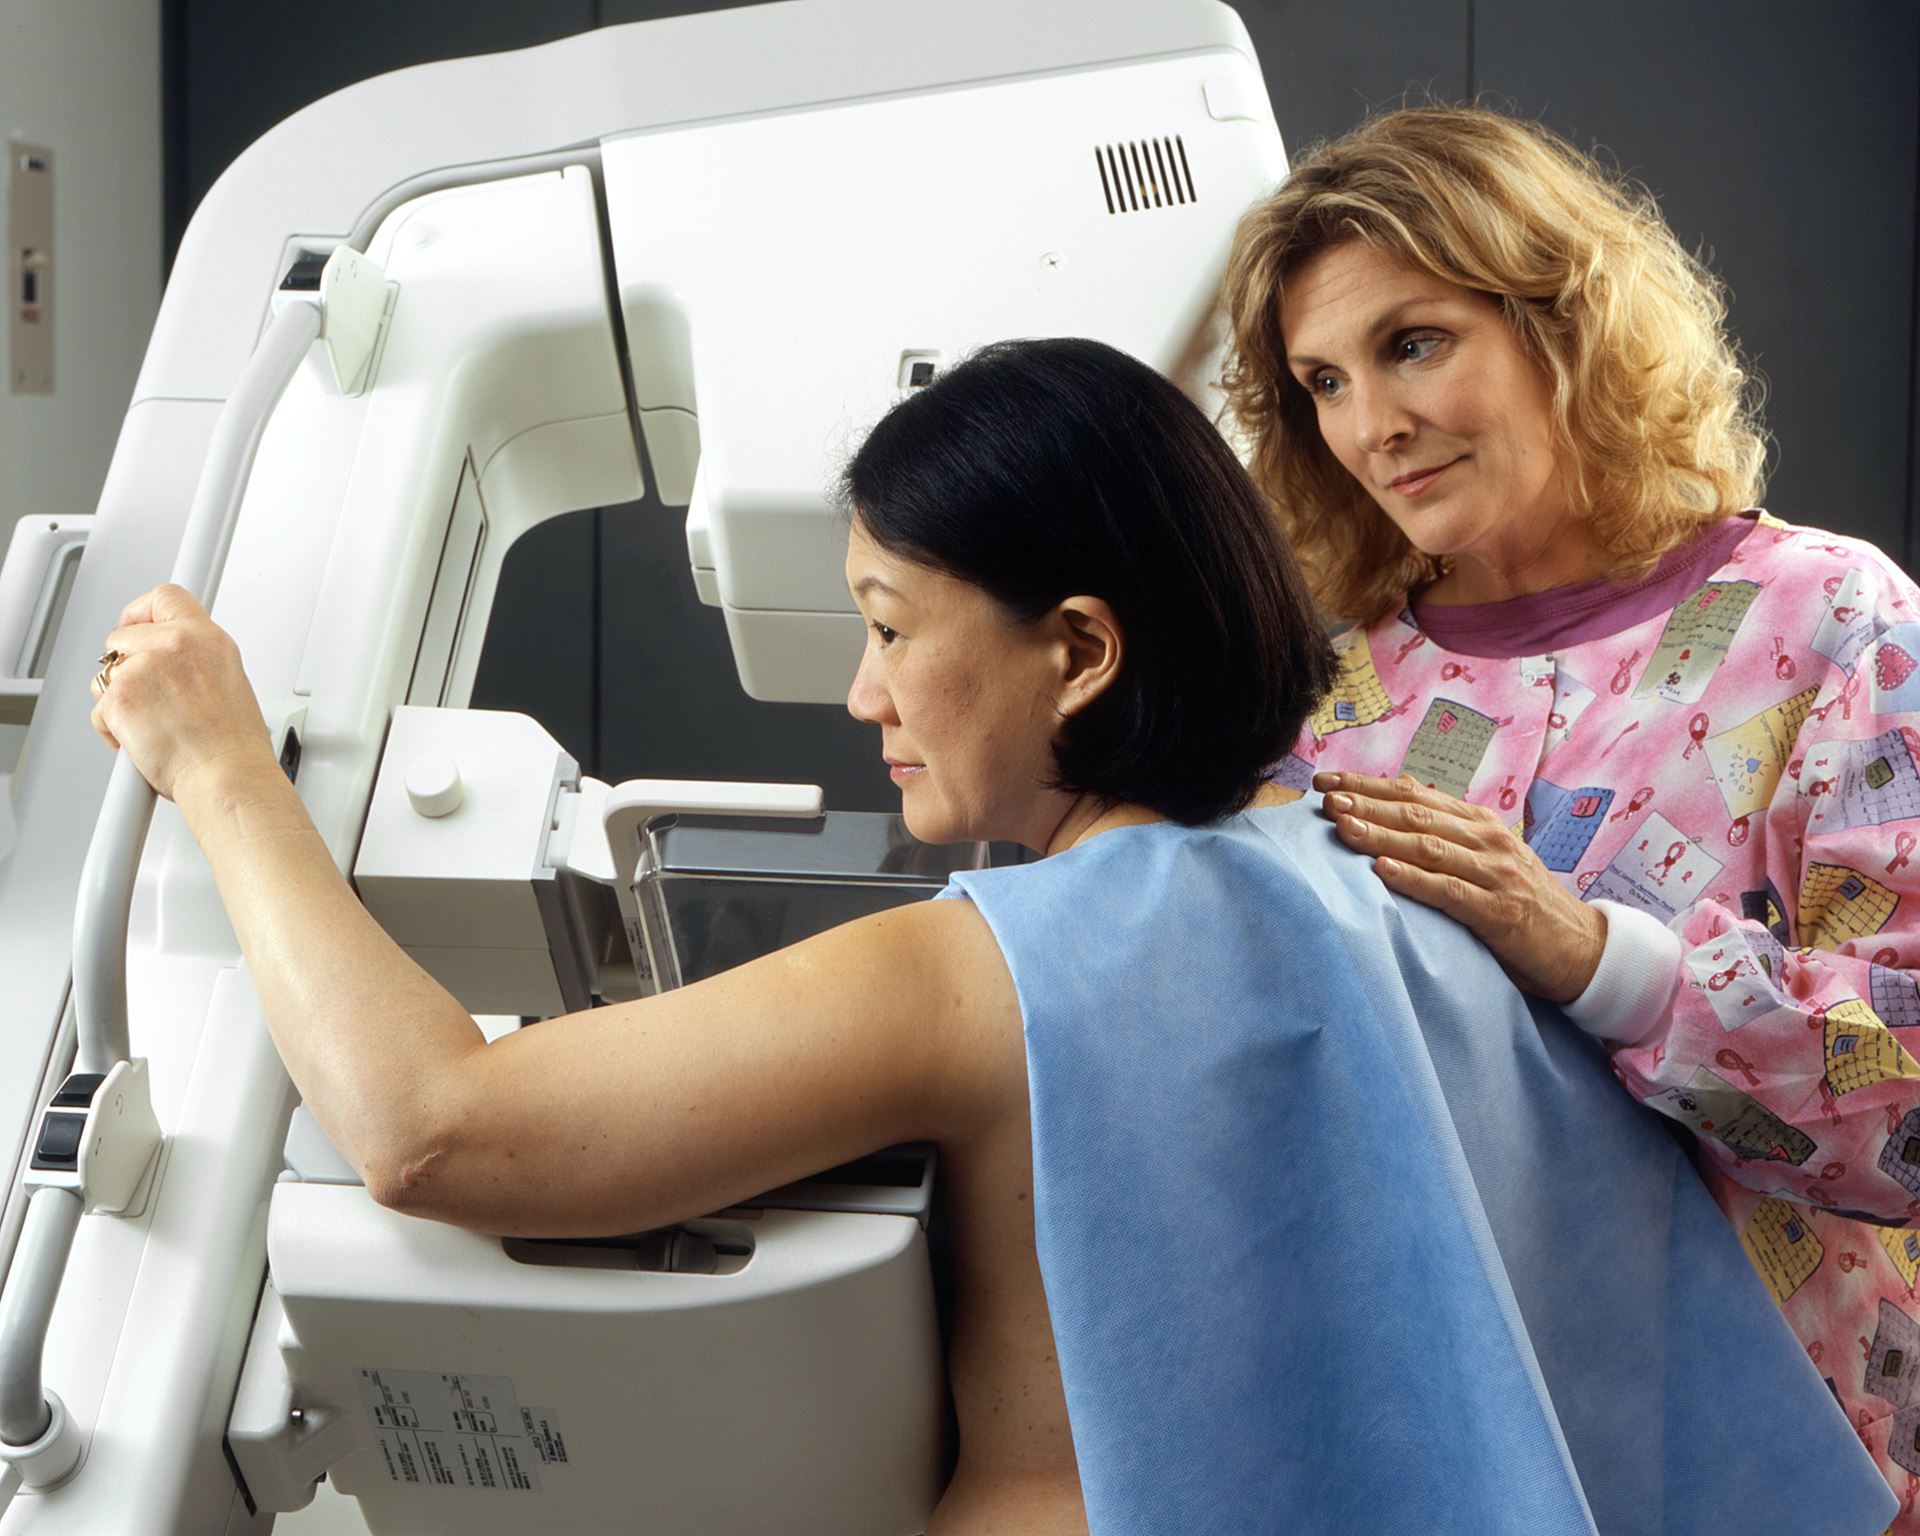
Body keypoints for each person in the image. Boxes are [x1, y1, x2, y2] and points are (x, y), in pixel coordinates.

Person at [87, 339, 1889, 1534]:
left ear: (1081, 652)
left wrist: (222, 769)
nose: (861, 691)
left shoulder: (989, 971)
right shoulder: (1414, 896)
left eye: (889, 623)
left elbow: (431, 1130)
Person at [1221, 102, 1920, 1516]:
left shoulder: (1837, 622)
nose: (1374, 426)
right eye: (1324, 382)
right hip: (1441, 1460)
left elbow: (1904, 1102)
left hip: (1788, 1464)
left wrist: (1598, 961)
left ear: (1567, 321)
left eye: (1413, 343)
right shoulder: (1326, 694)